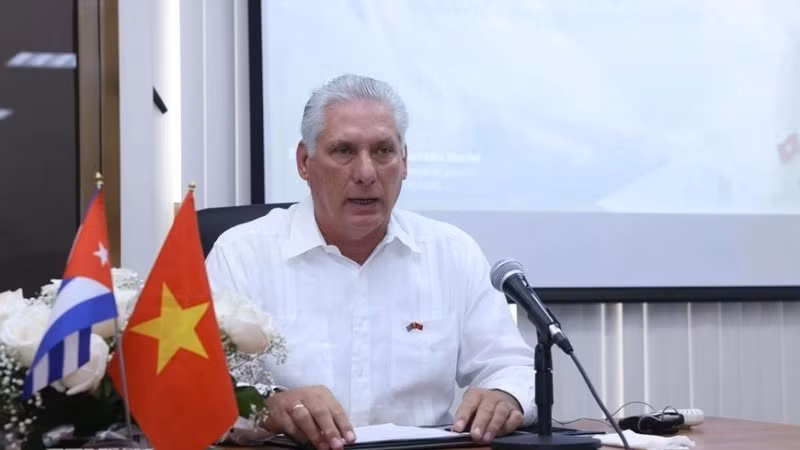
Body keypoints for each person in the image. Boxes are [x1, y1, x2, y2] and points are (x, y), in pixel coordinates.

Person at [206, 74, 536, 450]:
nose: (366, 173)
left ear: (405, 161)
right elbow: (197, 389)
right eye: (344, 151)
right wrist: (268, 408)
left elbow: (513, 366)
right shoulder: (243, 254)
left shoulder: (451, 252)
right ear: (304, 161)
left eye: (383, 151)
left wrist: (505, 395)